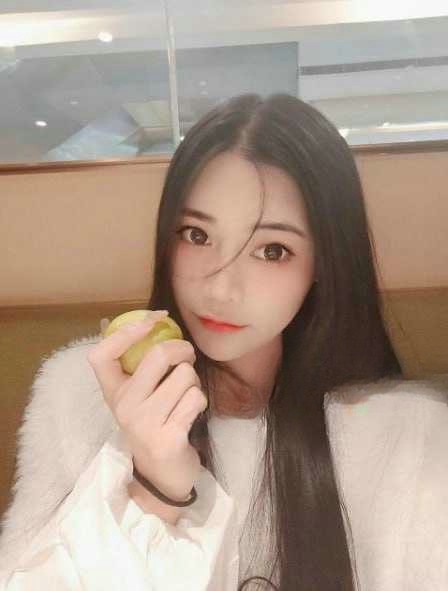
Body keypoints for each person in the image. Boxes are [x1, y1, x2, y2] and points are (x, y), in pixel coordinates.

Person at [0, 93, 447, 590]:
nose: (220, 288)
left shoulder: (403, 439)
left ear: (324, 261)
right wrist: (155, 489)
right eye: (196, 235)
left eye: (271, 250)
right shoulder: (83, 400)